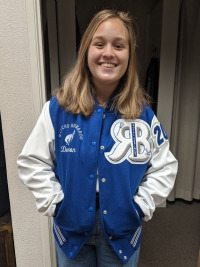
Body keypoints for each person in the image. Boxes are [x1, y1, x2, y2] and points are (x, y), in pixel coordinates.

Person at [17, 9, 178, 267]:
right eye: (99, 43)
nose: (108, 53)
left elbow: (165, 166)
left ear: (129, 55)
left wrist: (139, 207)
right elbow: (32, 161)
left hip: (122, 228)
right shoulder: (57, 110)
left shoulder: (143, 116)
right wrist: (56, 204)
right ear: (86, 52)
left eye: (119, 45)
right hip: (71, 228)